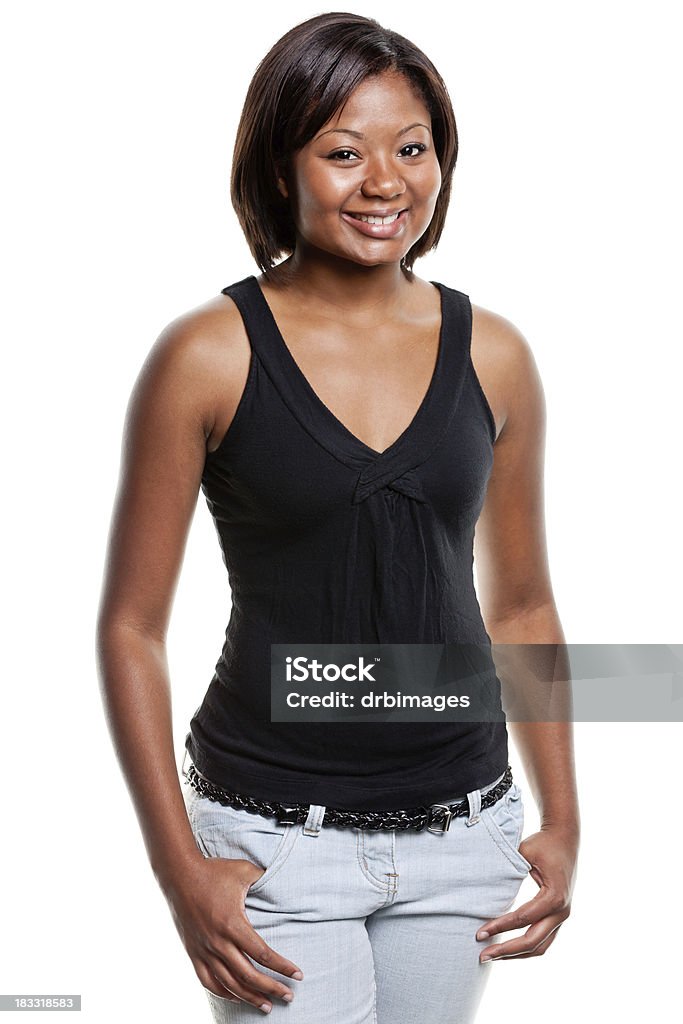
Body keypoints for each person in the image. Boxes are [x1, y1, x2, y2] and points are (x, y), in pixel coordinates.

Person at [96, 11, 580, 1023]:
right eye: (342, 152)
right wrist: (177, 866)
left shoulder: (493, 354)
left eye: (412, 149)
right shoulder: (206, 354)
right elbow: (130, 627)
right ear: (281, 168)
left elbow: (524, 605)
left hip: (462, 837)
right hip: (274, 843)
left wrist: (562, 819)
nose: (385, 183)